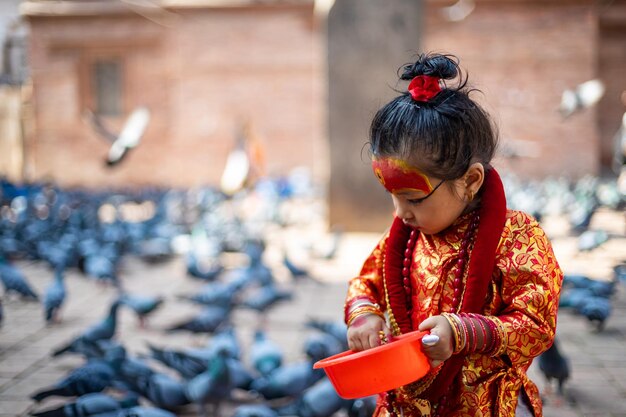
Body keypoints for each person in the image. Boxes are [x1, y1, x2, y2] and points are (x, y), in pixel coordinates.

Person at [344, 53, 563, 417]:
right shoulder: (406, 237)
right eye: (393, 197)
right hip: (405, 403)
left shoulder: (517, 239)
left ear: (470, 181)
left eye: (412, 198)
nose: (400, 213)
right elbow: (366, 283)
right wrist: (365, 316)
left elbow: (536, 325)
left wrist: (463, 332)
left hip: (484, 407)